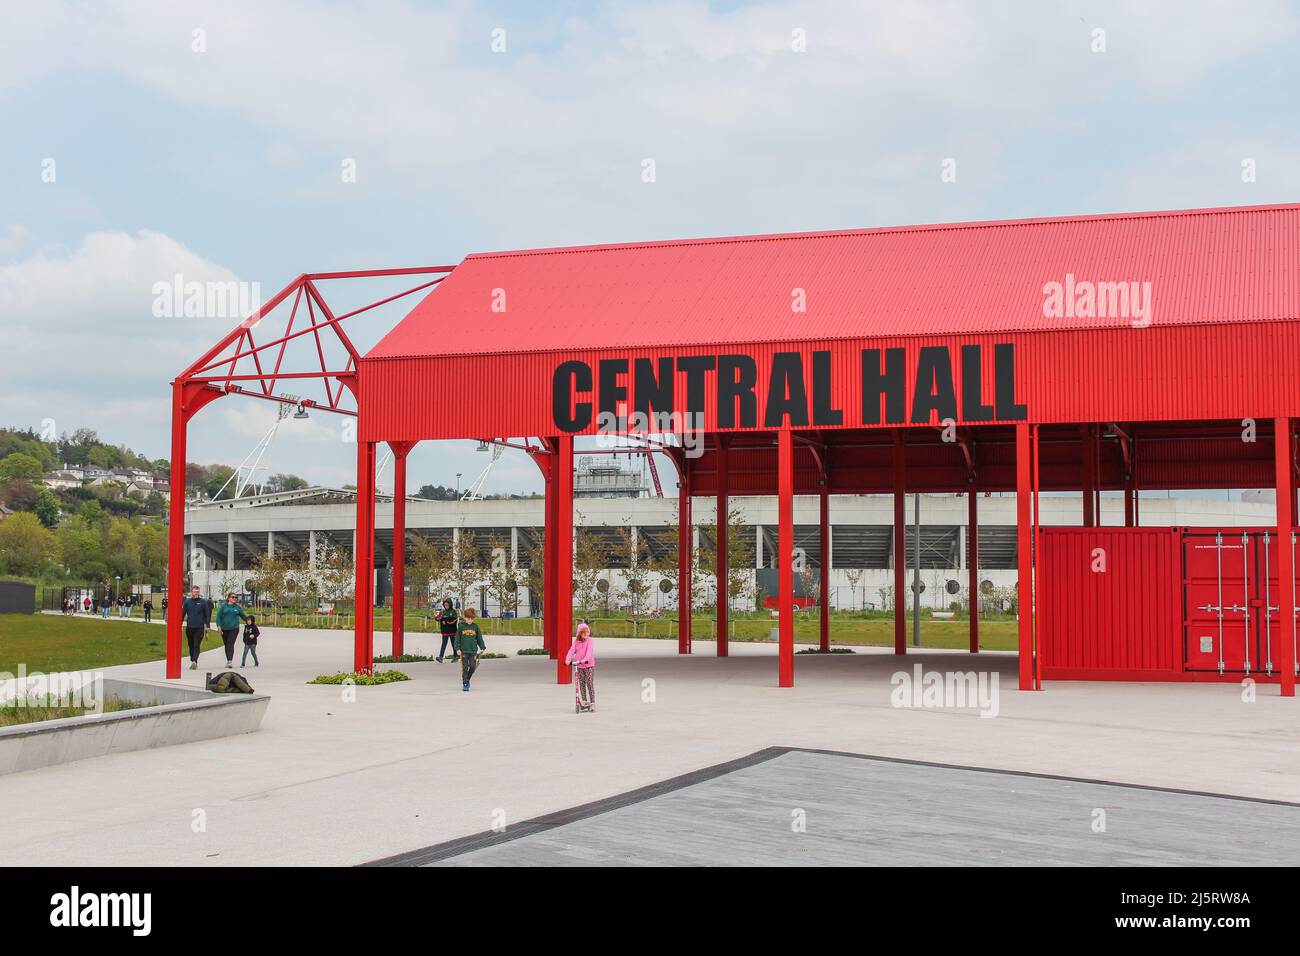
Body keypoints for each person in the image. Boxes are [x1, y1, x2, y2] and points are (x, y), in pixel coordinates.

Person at [565, 622, 597, 713]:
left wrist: (585, 659)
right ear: (579, 633)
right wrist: (567, 659)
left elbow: (589, 652)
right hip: (579, 666)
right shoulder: (576, 642)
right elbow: (571, 651)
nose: (586, 634)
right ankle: (584, 701)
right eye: (584, 632)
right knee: (581, 684)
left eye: (587, 632)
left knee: (589, 683)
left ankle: (592, 702)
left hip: (589, 665)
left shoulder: (590, 641)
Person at [181, 586, 213, 670]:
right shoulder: (187, 602)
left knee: (196, 644)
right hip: (190, 627)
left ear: (199, 593)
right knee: (191, 645)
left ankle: (194, 661)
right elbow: (183, 614)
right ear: (192, 592)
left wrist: (207, 626)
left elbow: (207, 615)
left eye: (197, 592)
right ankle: (193, 659)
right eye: (195, 591)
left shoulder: (203, 602)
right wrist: (179, 624)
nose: (196, 593)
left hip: (199, 627)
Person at [455, 607, 486, 692]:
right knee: (465, 668)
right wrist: (457, 649)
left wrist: (482, 646)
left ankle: (467, 679)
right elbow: (457, 638)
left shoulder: (475, 627)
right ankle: (465, 684)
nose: (469, 620)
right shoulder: (461, 626)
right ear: (465, 617)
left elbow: (479, 638)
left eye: (471, 618)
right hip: (464, 651)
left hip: (473, 651)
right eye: (468, 618)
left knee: (472, 667)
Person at [214, 592, 248, 669]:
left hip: (234, 628)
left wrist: (250, 622)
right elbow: (218, 617)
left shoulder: (237, 607)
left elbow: (243, 617)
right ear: (228, 598)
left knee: (230, 643)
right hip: (224, 628)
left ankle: (230, 661)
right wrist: (219, 626)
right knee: (226, 644)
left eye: (236, 597)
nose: (234, 598)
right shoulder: (223, 607)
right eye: (233, 597)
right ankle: (228, 660)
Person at [435, 598, 460, 663]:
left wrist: (448, 620)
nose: (446, 606)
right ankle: (440, 657)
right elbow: (437, 619)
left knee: (454, 644)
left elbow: (455, 620)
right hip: (445, 630)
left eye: (447, 605)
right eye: (445, 605)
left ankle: (456, 656)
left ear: (450, 605)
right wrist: (437, 616)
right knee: (444, 644)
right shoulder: (442, 611)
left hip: (452, 630)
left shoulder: (453, 611)